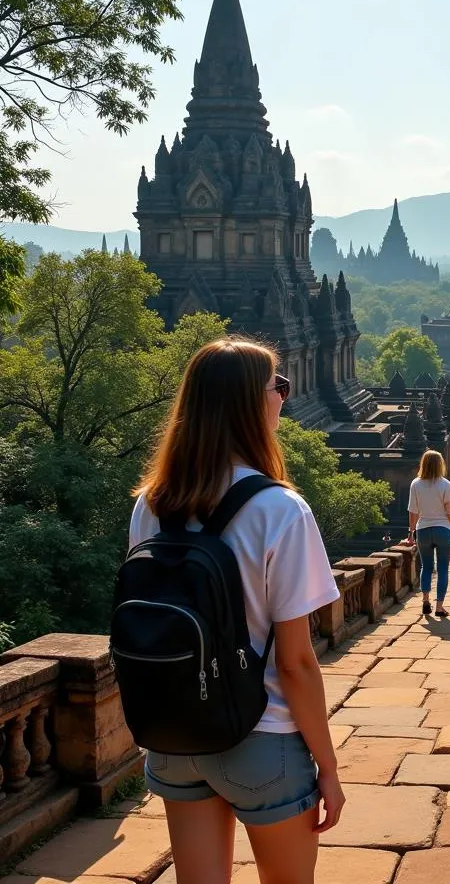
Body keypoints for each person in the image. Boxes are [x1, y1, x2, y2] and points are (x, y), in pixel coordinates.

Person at [125, 338, 344, 883]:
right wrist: (330, 768)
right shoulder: (280, 510)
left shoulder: (151, 502)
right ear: (249, 402)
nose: (285, 399)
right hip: (262, 737)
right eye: (279, 386)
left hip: (175, 734)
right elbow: (295, 664)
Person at [407, 449, 450, 617]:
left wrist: (411, 532)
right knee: (443, 568)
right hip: (443, 529)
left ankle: (425, 601)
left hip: (423, 529)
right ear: (440, 465)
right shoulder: (445, 484)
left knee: (426, 567)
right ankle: (439, 607)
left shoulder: (416, 484)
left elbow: (413, 511)